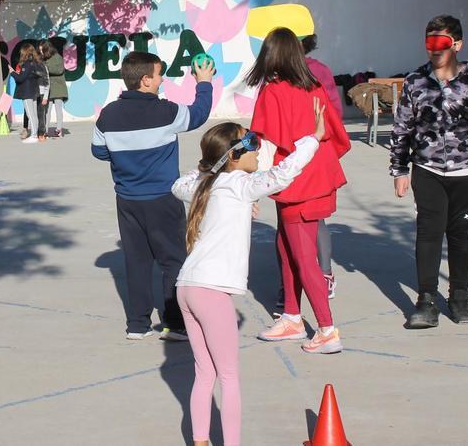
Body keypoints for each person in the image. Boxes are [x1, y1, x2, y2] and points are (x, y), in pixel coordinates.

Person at [172, 111, 324, 446]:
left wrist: (208, 170)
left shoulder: (203, 185)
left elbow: (178, 185)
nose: (259, 149)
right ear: (234, 155)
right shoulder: (241, 184)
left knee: (204, 372)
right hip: (211, 292)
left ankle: (200, 441)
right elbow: (284, 175)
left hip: (187, 287)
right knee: (228, 376)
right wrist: (313, 138)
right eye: (253, 142)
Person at [390, 14, 468, 328]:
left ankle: (459, 295)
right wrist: (399, 169)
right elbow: (402, 128)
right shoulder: (415, 81)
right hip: (426, 169)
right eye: (429, 42)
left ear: (456, 44)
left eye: (441, 42)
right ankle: (426, 300)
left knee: (461, 234)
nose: (434, 49)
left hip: (467, 172)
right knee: (428, 233)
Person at [92, 51, 216, 340]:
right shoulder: (167, 112)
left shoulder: (108, 114)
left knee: (136, 261)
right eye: (160, 75)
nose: (163, 80)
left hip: (127, 200)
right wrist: (205, 82)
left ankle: (137, 324)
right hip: (163, 198)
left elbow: (99, 151)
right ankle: (174, 323)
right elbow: (199, 113)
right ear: (146, 80)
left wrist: (127, 157)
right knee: (173, 260)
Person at [248, 27, 350, 354]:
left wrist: (252, 189)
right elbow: (336, 135)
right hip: (319, 176)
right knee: (286, 246)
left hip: (294, 182)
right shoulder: (314, 85)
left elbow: (264, 143)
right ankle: (292, 316)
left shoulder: (273, 90)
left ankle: (326, 329)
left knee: (304, 256)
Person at [299, 33, 342, 301]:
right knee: (292, 219)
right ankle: (295, 278)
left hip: (313, 153)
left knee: (315, 217)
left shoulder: (318, 71)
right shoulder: (275, 74)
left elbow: (333, 114)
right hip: (291, 154)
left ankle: (324, 273)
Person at [10, 42, 47, 145]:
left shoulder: (27, 63)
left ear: (24, 52)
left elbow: (21, 78)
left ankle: (34, 135)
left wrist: (12, 72)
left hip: (27, 92)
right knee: (34, 114)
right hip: (34, 91)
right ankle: (34, 134)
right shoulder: (35, 62)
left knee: (31, 114)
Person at [40, 40, 69, 139]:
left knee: (58, 109)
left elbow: (59, 70)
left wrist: (46, 68)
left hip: (58, 86)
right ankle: (45, 130)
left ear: (47, 49)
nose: (41, 52)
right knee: (47, 110)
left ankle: (59, 130)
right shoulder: (43, 58)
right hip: (48, 87)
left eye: (42, 50)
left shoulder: (57, 57)